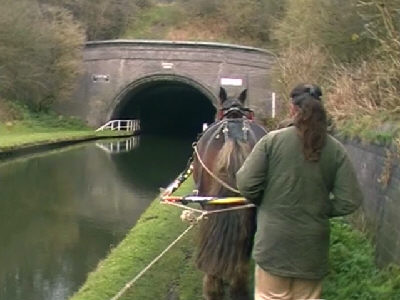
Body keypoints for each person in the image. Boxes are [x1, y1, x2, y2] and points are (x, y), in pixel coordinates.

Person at [236, 83, 363, 300]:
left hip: (273, 246)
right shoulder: (335, 150)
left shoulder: (272, 141)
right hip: (311, 251)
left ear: (293, 108)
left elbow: (246, 183)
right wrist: (322, 208)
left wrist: (265, 201)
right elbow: (350, 200)